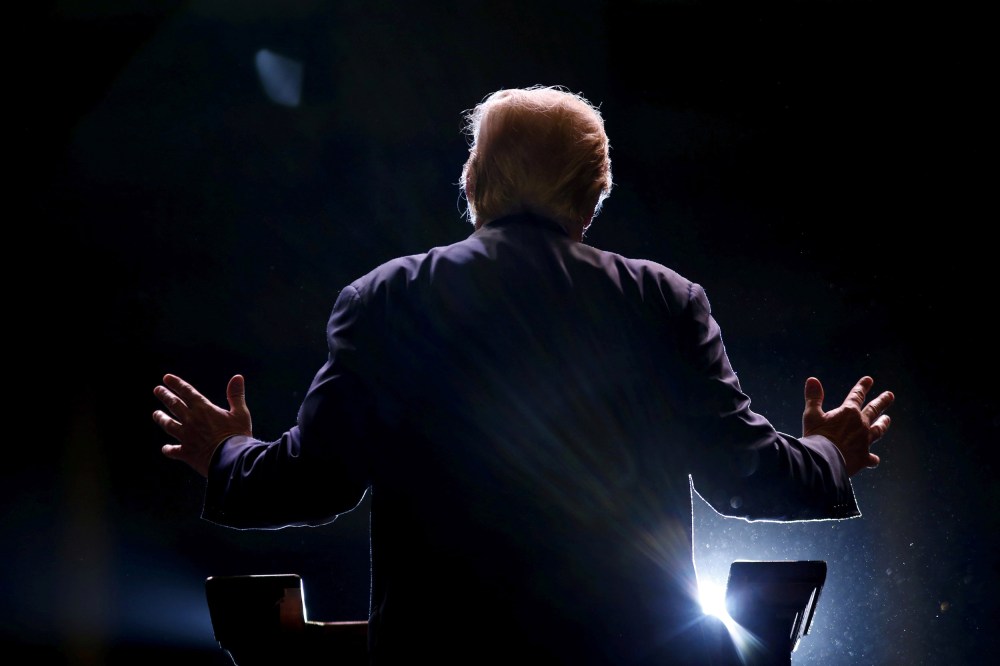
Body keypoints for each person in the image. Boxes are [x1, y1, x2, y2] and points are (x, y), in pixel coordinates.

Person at [152, 85, 894, 665]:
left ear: (474, 179)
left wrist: (227, 453)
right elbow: (743, 474)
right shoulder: (664, 301)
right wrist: (829, 453)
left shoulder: (387, 298)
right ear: (594, 191)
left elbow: (316, 483)